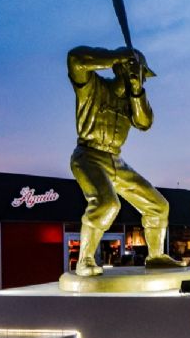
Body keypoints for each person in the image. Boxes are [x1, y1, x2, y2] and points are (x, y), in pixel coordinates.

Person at [67, 45, 183, 276]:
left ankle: (156, 256)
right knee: (107, 204)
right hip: (88, 155)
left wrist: (137, 91)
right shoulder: (93, 86)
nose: (140, 77)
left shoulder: (132, 101)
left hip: (115, 160)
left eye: (141, 75)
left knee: (158, 205)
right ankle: (85, 260)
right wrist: (117, 58)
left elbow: (144, 122)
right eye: (137, 72)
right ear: (121, 68)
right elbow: (75, 59)